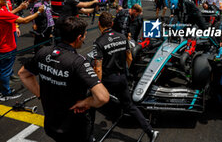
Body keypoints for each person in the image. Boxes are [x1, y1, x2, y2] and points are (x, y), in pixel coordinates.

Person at [18, 16, 109, 141]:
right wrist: (86, 102)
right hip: (75, 127)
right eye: (84, 36)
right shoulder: (78, 62)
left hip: (52, 124)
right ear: (79, 38)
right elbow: (103, 97)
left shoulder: (43, 52)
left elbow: (23, 74)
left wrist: (41, 94)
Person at [93, 12, 159, 142]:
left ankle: (89, 135)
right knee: (130, 106)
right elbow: (129, 57)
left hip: (108, 79)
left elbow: (98, 68)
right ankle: (150, 131)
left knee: (92, 103)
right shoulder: (123, 37)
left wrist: (97, 85)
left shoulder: (98, 42)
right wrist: (124, 71)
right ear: (111, 24)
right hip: (121, 77)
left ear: (99, 24)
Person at [0, 0, 44, 101]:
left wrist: (20, 7)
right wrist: (39, 12)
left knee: (3, 69)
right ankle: (5, 93)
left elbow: (10, 14)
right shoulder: (1, 12)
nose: (5, 1)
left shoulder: (3, 10)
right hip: (6, 46)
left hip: (5, 45)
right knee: (4, 71)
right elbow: (25, 20)